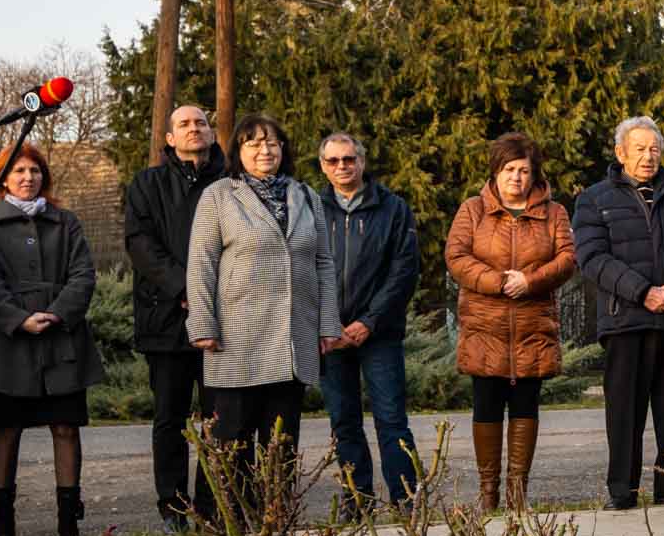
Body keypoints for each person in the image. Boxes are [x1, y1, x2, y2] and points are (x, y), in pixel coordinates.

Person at [186, 115, 341, 491]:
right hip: (237, 338)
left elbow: (323, 260)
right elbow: (201, 261)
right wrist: (202, 324)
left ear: (283, 149)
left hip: (293, 336)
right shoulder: (220, 195)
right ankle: (234, 527)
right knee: (233, 440)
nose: (264, 150)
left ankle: (276, 521)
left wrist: (328, 324)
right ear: (239, 151)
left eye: (272, 142)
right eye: (254, 143)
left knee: (281, 442)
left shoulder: (305, 196)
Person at [573, 116, 664, 511]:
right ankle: (622, 491)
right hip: (626, 320)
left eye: (654, 149)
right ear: (620, 153)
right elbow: (592, 258)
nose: (648, 157)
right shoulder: (594, 199)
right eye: (639, 149)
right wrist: (643, 292)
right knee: (624, 413)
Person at [445, 132, 576, 512]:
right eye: (509, 170)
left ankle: (518, 493)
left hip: (533, 327)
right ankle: (489, 493)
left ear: (535, 175)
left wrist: (530, 281)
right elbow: (457, 257)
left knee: (525, 406)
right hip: (485, 326)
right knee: (485, 405)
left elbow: (567, 259)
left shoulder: (555, 213)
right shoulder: (472, 210)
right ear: (496, 172)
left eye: (524, 170)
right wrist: (499, 282)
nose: (516, 178)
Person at [0, 143, 106, 536]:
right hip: (9, 345)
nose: (28, 178)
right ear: (3, 178)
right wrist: (19, 319)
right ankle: (2, 520)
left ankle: (68, 520)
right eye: (19, 171)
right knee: (8, 428)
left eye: (35, 171)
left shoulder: (66, 222)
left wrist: (56, 314)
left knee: (66, 427)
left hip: (62, 341)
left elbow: (83, 275)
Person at [124, 104, 226, 533]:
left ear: (211, 132)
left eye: (200, 122)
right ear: (169, 138)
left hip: (224, 317)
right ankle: (173, 506)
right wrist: (186, 289)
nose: (193, 129)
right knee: (170, 416)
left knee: (220, 418)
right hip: (165, 316)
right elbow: (140, 243)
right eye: (183, 124)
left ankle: (213, 503)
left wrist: (211, 295)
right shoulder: (146, 185)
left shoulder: (230, 182)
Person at [316, 132, 421, 512]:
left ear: (361, 161)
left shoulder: (393, 209)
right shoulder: (311, 209)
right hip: (329, 336)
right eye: (333, 161)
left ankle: (406, 498)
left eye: (349, 159)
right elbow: (302, 268)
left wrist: (369, 322)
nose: (342, 166)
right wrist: (327, 324)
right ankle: (356, 500)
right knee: (343, 421)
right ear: (323, 166)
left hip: (379, 334)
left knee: (392, 419)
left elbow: (404, 271)